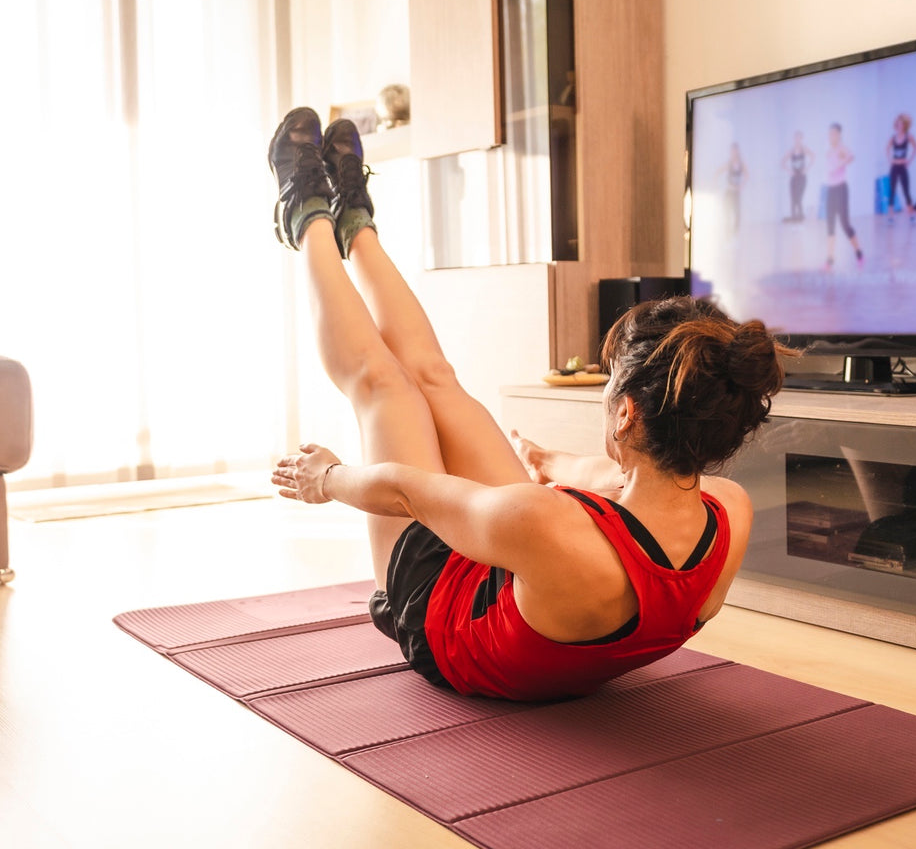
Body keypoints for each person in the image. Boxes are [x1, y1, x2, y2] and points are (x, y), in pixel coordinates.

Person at [265, 107, 792, 702]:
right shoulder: (730, 511)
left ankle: (303, 211)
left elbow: (406, 490)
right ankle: (357, 223)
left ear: (627, 414)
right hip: (543, 577)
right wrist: (549, 461)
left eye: (608, 383)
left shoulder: (548, 522)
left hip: (441, 610)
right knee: (437, 378)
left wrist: (326, 477)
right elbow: (614, 478)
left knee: (387, 388)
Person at [822, 123, 863, 267]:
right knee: (830, 225)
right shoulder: (828, 150)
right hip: (830, 190)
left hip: (841, 189)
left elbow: (851, 156)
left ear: (839, 135)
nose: (831, 135)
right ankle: (830, 259)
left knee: (845, 225)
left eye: (833, 133)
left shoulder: (841, 148)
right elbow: (828, 168)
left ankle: (858, 251)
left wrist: (840, 163)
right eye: (829, 133)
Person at [884, 113, 916, 226]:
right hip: (894, 167)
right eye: (898, 124)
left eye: (902, 124)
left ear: (904, 125)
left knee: (906, 191)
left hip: (903, 167)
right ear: (896, 125)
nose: (900, 126)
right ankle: (891, 216)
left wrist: (909, 160)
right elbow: (887, 149)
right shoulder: (893, 138)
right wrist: (890, 160)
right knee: (892, 191)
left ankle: (912, 215)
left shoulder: (908, 136)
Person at [780, 131, 814, 222]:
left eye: (799, 138)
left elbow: (813, 156)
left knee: (798, 199)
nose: (797, 140)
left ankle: (800, 216)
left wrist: (806, 168)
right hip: (794, 178)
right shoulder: (791, 150)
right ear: (794, 139)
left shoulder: (804, 149)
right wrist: (789, 171)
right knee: (792, 198)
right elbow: (782, 162)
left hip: (802, 178)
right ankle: (794, 217)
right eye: (796, 138)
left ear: (801, 139)